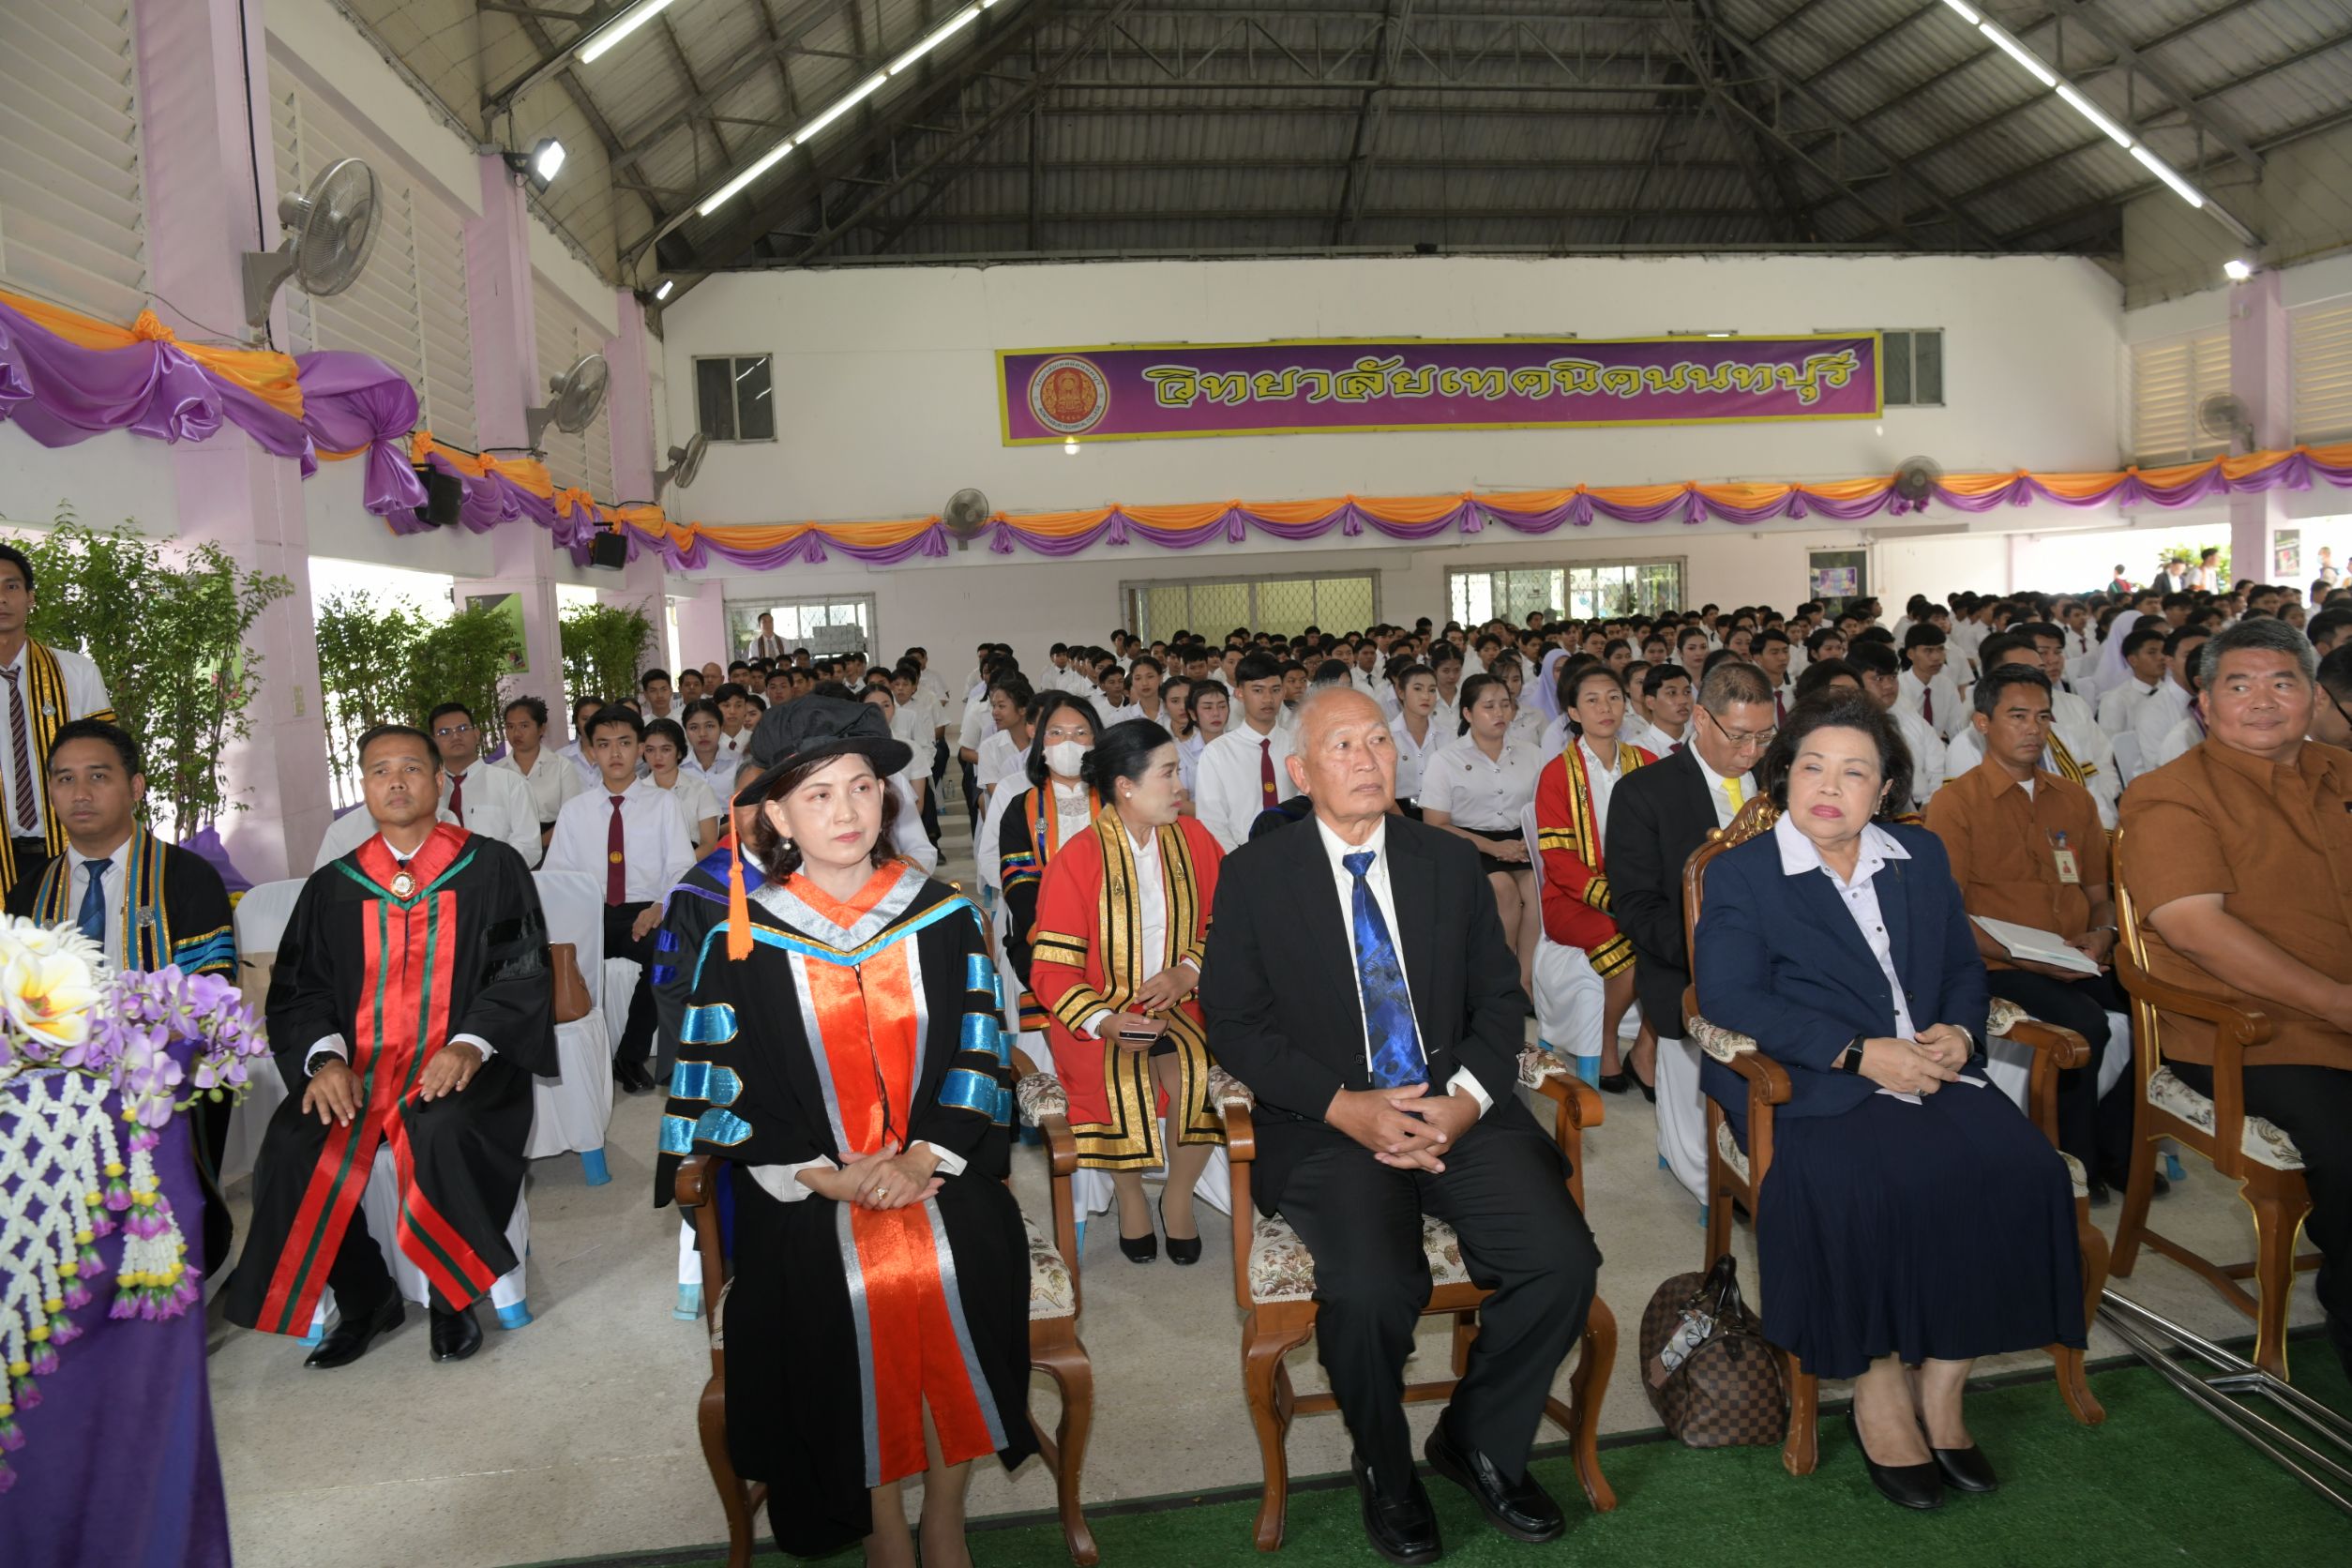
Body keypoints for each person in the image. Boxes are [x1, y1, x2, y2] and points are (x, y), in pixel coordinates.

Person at [1202, 687, 1601, 1560]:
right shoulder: (1255, 874)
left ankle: (1479, 1440)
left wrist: (1464, 1102)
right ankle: (1385, 1466)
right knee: (1374, 1288)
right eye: (1342, 746)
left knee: (1562, 1261)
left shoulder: (1445, 861)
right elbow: (1233, 1023)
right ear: (1301, 771)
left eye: (1378, 741)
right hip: (1326, 1121)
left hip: (1455, 1105)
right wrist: (1343, 1106)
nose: (1367, 759)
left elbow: (1498, 1000)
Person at [652, 699, 1033, 1564]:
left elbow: (979, 1049)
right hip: (805, 1190)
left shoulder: (941, 915)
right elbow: (728, 1087)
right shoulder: (743, 938)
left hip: (939, 1172)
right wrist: (829, 1174)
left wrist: (921, 1156)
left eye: (862, 786)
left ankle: (945, 1514)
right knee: (835, 1295)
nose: (848, 810)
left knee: (963, 1265)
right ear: (777, 817)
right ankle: (880, 1523)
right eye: (818, 795)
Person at [1695, 691, 2086, 1510]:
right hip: (1814, 1081)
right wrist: (1858, 1052)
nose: (1828, 787)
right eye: (1812, 767)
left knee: (2024, 1172)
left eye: (1854, 772)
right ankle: (1875, 1387)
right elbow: (1730, 996)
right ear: (1783, 776)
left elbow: (1962, 967)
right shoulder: (1742, 872)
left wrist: (1962, 1033)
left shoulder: (1920, 856)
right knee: (1862, 1189)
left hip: (1932, 1069)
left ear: (1884, 790)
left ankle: (1942, 1389)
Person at [223, 724, 554, 1366]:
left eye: (410, 768)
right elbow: (301, 989)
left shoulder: (491, 867)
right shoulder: (334, 885)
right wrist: (325, 1060)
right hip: (360, 1066)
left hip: (464, 1062)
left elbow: (519, 972)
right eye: (379, 771)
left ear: (439, 781)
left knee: (444, 1128)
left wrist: (469, 1046)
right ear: (363, 788)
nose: (395, 782)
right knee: (292, 1144)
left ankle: (452, 1297)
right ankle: (366, 1295)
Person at [2119, 616, 2352, 1382]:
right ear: (2206, 703)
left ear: (2314, 697)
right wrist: (2336, 1003)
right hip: (2254, 1036)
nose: (2263, 700)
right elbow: (2196, 929)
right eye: (2240, 685)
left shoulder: (2342, 773)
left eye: (2283, 682)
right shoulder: (2171, 794)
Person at [10, 718, 237, 1263]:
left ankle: (172, 1266)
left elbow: (208, 996)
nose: (80, 793)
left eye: (98, 776)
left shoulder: (186, 877)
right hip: (51, 1080)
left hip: (157, 1071)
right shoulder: (27, 894)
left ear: (135, 786)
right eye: (64, 779)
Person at [1925, 665, 2144, 1200]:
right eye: (2017, 716)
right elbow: (1946, 915)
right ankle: (2073, 1163)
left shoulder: (2073, 798)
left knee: (2156, 1010)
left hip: (2077, 952)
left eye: (2043, 717)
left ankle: (2120, 1149)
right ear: (1982, 723)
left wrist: (2104, 931)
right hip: (1998, 962)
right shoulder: (1956, 803)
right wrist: (2026, 959)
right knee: (2085, 1023)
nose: (2033, 729)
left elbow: (2098, 890)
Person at [1026, 719, 1227, 1261]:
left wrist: (1190, 971)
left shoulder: (1196, 840)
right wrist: (1105, 1019)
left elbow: (1229, 924)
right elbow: (1052, 970)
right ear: (1125, 786)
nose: (1180, 786)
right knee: (1121, 1070)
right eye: (1168, 774)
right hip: (1100, 1013)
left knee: (1194, 1070)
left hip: (1186, 1002)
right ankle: (1130, 1194)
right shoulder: (1079, 858)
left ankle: (1178, 1197)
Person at [1605, 660, 1775, 1202]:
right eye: (1740, 736)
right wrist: (1716, 958)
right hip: (1688, 965)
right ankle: (1722, 1180)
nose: (1752, 752)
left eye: (1765, 736)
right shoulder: (1645, 793)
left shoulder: (1782, 786)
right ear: (1701, 719)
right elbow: (1637, 908)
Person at [544, 706, 695, 1094]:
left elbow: (681, 868)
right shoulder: (574, 811)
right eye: (604, 744)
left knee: (667, 957)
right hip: (588, 914)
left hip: (643, 912)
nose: (615, 753)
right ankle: (570, 1061)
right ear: (591, 752)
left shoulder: (664, 805)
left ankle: (630, 1056)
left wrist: (660, 906)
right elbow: (558, 876)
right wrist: (572, 923)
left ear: (640, 748)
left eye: (625, 743)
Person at [1534, 665, 1656, 1092]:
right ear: (1573, 711)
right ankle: (1607, 1044)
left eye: (1614, 697)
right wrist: (1615, 897)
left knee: (1676, 939)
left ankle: (1645, 1047)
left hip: (1639, 892)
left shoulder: (1647, 764)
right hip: (1573, 899)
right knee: (1627, 938)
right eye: (1592, 700)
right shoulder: (1557, 773)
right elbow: (1559, 861)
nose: (1605, 708)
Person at [0, 544, 114, 902]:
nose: (1, 598)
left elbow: (108, 763)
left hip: (70, 846)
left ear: (30, 597)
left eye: (11, 586)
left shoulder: (76, 673)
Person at [1421, 672, 1546, 996]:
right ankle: (1500, 982)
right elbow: (1436, 824)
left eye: (1505, 704)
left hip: (1519, 840)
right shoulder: (1445, 759)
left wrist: (1525, 842)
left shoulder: (1532, 753)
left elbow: (1542, 809)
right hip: (1467, 842)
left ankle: (1526, 981)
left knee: (1536, 892)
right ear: (1467, 713)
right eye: (1489, 706)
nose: (1499, 713)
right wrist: (1492, 848)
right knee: (1503, 890)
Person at [1194, 652, 1297, 852]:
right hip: (1240, 852)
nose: (1268, 699)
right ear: (1239, 693)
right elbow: (1212, 821)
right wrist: (1239, 860)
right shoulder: (1218, 753)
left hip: (1294, 850)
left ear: (1284, 692)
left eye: (1275, 690)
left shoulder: (1298, 746)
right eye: (1258, 690)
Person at [424, 702, 543, 868]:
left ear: (476, 734)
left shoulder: (512, 783)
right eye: (444, 732)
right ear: (433, 742)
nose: (455, 736)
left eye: (462, 728)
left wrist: (486, 872)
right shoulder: (425, 792)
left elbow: (529, 846)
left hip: (497, 878)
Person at [491, 696, 585, 846]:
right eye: (510, 727)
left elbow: (571, 816)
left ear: (541, 728)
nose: (516, 733)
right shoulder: (495, 771)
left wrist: (536, 845)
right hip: (508, 848)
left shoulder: (562, 767)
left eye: (524, 726)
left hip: (553, 844)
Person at [642, 716, 723, 853]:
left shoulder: (700, 790)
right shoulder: (636, 791)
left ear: (679, 752)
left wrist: (683, 865)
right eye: (650, 750)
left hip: (693, 863)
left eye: (665, 749)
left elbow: (708, 844)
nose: (657, 757)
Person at [1385, 661, 1442, 813]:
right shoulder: (1386, 735)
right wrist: (1403, 824)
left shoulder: (1446, 735)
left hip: (1438, 811)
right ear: (1401, 692)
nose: (1426, 696)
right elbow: (1381, 787)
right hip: (1396, 812)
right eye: (1418, 689)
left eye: (1432, 690)